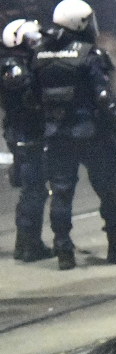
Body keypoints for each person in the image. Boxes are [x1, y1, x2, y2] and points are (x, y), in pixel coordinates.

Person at [35, 0, 116, 270]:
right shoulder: (89, 55)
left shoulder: (39, 55)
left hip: (56, 136)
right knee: (110, 189)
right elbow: (103, 97)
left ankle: (63, 250)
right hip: (90, 134)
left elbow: (33, 97)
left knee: (60, 193)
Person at [0, 18, 50, 261]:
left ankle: (25, 243)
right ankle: (30, 245)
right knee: (34, 190)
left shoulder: (17, 62)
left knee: (33, 189)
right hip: (25, 132)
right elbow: (25, 96)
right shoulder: (14, 66)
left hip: (21, 131)